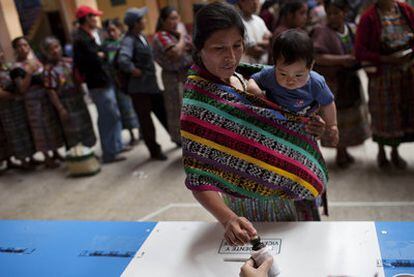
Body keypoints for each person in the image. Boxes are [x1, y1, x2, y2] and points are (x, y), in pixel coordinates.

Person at [182, 2, 328, 247]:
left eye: (237, 46)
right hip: (253, 210)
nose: (231, 57)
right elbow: (198, 177)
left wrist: (310, 127)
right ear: (199, 48)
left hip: (295, 199)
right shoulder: (200, 104)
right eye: (219, 48)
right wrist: (227, 219)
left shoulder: (246, 76)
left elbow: (287, 117)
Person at [247, 30, 339, 147]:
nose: (290, 80)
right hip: (273, 124)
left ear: (310, 66)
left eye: (298, 75)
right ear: (275, 64)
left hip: (302, 127)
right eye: (283, 74)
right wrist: (256, 91)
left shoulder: (316, 83)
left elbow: (328, 103)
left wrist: (332, 125)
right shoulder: (270, 74)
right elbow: (253, 80)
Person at [311, 0, 371, 168]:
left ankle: (344, 151)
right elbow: (317, 56)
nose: (332, 17)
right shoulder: (321, 32)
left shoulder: (351, 29)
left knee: (350, 114)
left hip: (350, 82)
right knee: (338, 117)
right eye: (329, 13)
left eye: (336, 13)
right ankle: (340, 153)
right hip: (334, 84)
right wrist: (343, 60)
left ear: (344, 12)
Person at [355, 0, 414, 169]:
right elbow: (360, 51)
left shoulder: (406, 10)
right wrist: (386, 59)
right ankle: (381, 152)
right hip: (383, 74)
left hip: (406, 73)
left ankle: (395, 152)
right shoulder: (369, 18)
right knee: (383, 114)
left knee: (401, 113)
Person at [73, 5, 126, 164]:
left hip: (105, 81)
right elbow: (92, 61)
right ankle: (110, 153)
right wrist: (99, 55)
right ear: (87, 18)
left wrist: (100, 55)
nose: (97, 19)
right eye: (94, 16)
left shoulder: (91, 36)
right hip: (98, 84)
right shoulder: (81, 39)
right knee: (107, 117)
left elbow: (101, 55)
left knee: (114, 115)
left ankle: (117, 147)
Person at [118, 7, 169, 160]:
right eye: (142, 19)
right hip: (139, 89)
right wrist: (134, 70)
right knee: (146, 123)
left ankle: (177, 138)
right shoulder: (128, 40)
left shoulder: (140, 36)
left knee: (164, 113)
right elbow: (123, 60)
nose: (145, 21)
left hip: (151, 86)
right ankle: (154, 151)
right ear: (135, 23)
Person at [11, 36, 64, 168]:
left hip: (45, 97)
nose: (23, 48)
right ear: (15, 50)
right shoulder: (16, 68)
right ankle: (46, 157)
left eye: (25, 45)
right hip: (32, 101)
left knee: (51, 125)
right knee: (39, 128)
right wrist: (29, 72)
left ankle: (55, 152)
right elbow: (22, 88)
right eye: (20, 46)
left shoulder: (37, 61)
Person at [42, 36, 96, 150]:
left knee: (85, 126)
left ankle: (88, 152)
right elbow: (51, 91)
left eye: (56, 47)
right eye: (51, 49)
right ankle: (78, 156)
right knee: (73, 131)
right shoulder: (48, 70)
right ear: (46, 52)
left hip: (78, 98)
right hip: (65, 103)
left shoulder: (69, 62)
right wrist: (60, 109)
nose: (55, 51)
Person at [153, 6, 193, 146]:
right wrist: (182, 39)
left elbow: (191, 47)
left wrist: (182, 45)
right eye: (172, 18)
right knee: (178, 109)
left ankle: (190, 139)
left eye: (177, 18)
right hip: (174, 77)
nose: (176, 21)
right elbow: (175, 54)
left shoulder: (174, 34)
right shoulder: (161, 36)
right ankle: (181, 141)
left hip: (185, 75)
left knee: (189, 108)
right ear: (163, 20)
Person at [102, 18, 140, 147]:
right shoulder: (106, 46)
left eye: (114, 30)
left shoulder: (125, 42)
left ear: (120, 29)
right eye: (109, 31)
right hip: (117, 84)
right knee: (124, 109)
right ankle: (132, 134)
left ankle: (141, 132)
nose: (111, 33)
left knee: (136, 107)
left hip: (130, 81)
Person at [0, 48, 36, 170]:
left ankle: (31, 157)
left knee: (26, 131)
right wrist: (16, 95)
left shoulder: (9, 68)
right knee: (14, 135)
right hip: (6, 110)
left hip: (19, 107)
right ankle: (23, 161)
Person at [234, 0, 272, 64]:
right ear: (241, 1)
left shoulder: (259, 20)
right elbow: (254, 50)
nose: (255, 3)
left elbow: (270, 39)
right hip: (245, 69)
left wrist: (257, 44)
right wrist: (265, 45)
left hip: (261, 67)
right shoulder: (237, 22)